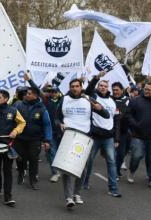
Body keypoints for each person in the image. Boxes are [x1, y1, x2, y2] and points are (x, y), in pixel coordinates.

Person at [56, 79, 109, 208]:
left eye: (77, 86)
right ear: (70, 87)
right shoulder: (64, 99)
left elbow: (106, 115)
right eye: (72, 86)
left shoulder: (88, 99)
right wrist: (60, 123)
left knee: (82, 169)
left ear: (81, 87)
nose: (75, 88)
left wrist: (100, 108)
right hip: (68, 136)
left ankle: (76, 193)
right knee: (67, 167)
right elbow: (56, 117)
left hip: (84, 137)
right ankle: (68, 197)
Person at [83, 73, 122, 197]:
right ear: (98, 87)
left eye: (105, 86)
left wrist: (116, 138)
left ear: (108, 88)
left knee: (111, 162)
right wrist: (96, 78)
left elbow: (116, 121)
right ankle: (84, 182)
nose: (103, 87)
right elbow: (88, 90)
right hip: (94, 136)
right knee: (89, 161)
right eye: (101, 85)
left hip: (108, 137)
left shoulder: (112, 101)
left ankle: (113, 188)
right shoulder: (93, 97)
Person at [13, 87, 52, 190]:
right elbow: (12, 118)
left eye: (29, 94)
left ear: (35, 96)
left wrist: (47, 140)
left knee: (33, 160)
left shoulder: (42, 108)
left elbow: (47, 125)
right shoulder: (18, 105)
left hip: (35, 139)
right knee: (20, 158)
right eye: (26, 93)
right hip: (20, 138)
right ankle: (21, 173)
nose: (26, 95)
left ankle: (33, 180)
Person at [126, 81, 151, 189]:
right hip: (137, 135)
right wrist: (135, 124)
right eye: (145, 89)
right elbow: (128, 114)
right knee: (137, 155)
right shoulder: (135, 101)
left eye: (149, 90)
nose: (146, 91)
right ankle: (132, 171)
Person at [43, 86, 63, 182]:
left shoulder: (64, 101)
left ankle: (63, 170)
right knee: (52, 153)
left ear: (59, 92)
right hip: (50, 132)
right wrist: (30, 80)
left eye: (55, 92)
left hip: (62, 132)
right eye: (52, 92)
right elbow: (38, 91)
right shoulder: (46, 102)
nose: (54, 94)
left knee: (62, 153)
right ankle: (55, 173)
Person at [111, 82, 130, 178]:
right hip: (111, 131)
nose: (115, 92)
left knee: (121, 154)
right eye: (113, 90)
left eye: (117, 90)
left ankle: (117, 169)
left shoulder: (128, 100)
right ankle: (113, 173)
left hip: (123, 131)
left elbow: (132, 113)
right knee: (112, 154)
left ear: (122, 90)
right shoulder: (109, 99)